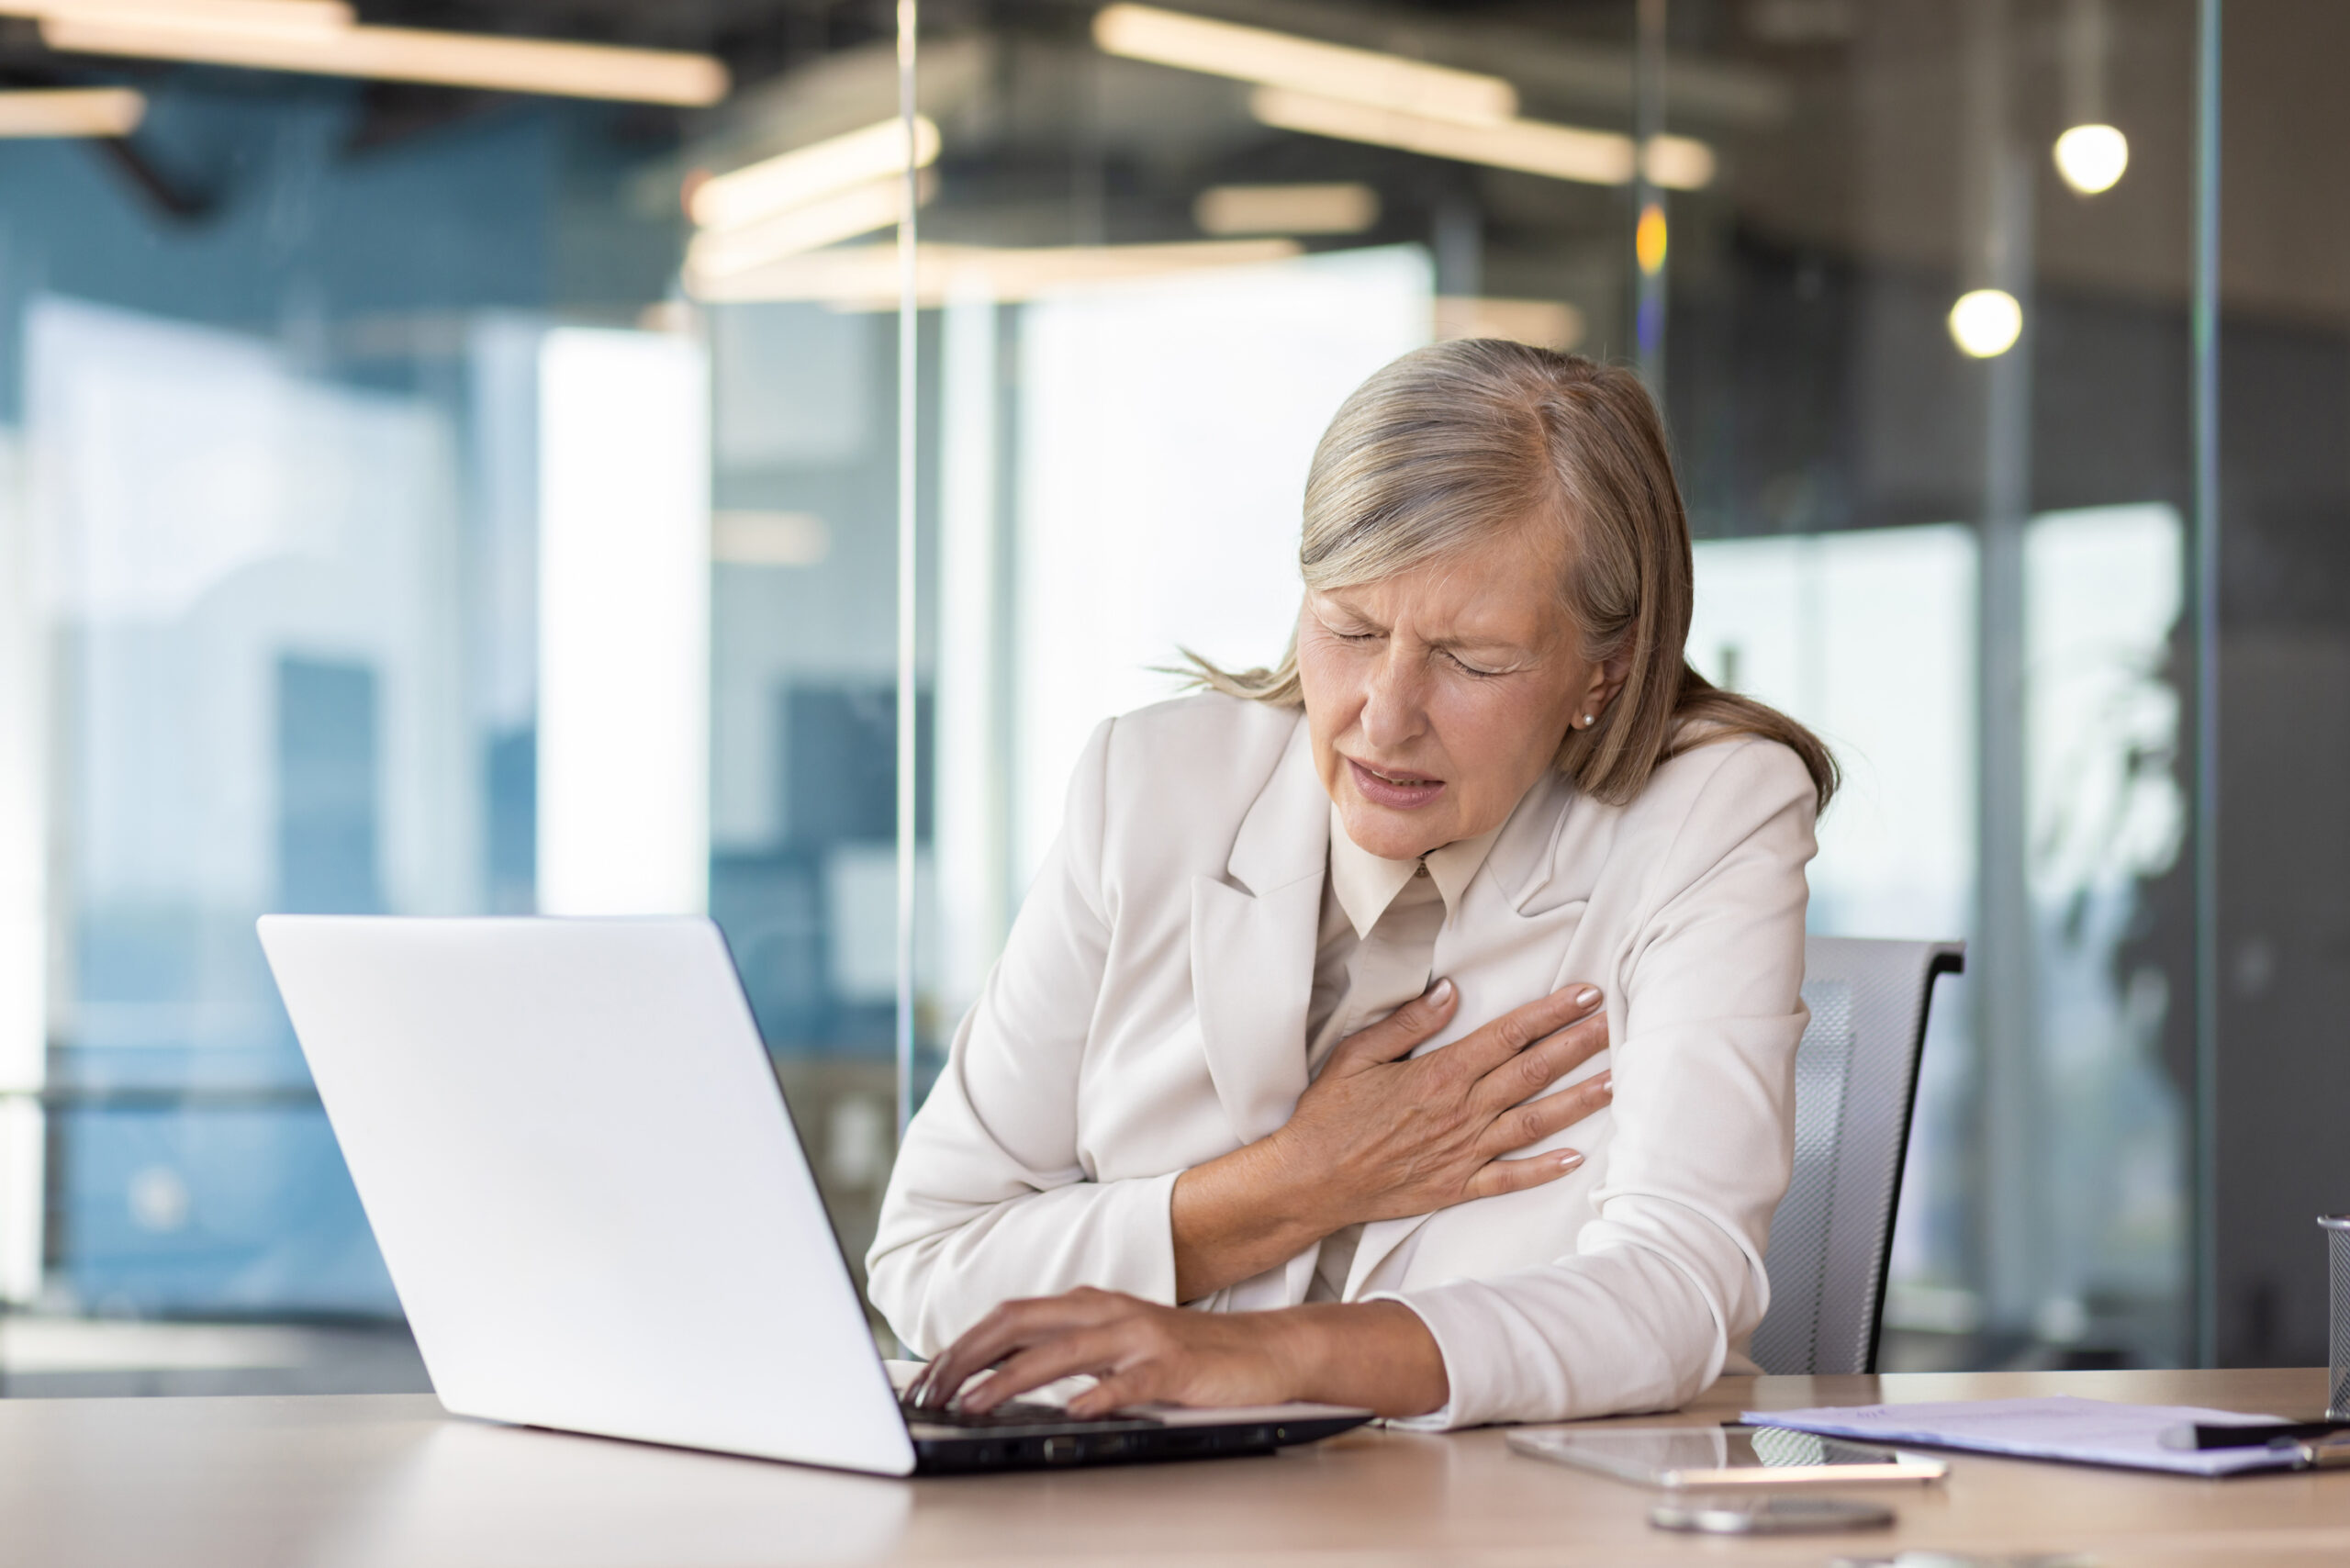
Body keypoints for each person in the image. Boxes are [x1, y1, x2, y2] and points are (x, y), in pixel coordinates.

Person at [869, 340, 1836, 1428]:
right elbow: (929, 1258)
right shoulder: (1148, 785)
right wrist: (1296, 1182)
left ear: (1600, 672)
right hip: (1162, 1517)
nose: (1384, 715)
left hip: (1524, 1517)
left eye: (1472, 659)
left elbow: (1673, 1286)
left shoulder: (1712, 809)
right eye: (1350, 628)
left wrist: (1270, 1355)